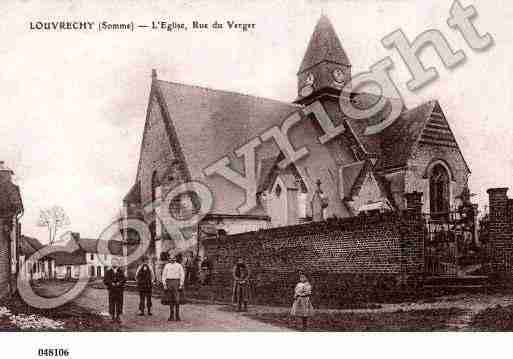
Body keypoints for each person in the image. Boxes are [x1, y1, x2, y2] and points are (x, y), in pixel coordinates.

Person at [161, 254, 185, 321]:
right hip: (169, 282)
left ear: (175, 259)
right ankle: (171, 316)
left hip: (176, 283)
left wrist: (181, 284)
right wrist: (164, 284)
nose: (172, 259)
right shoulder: (167, 266)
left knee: (177, 300)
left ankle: (177, 316)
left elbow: (182, 275)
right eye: (170, 258)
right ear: (169, 259)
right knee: (170, 300)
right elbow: (164, 275)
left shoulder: (179, 265)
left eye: (173, 258)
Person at [103, 259, 126, 323]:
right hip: (112, 290)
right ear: (111, 264)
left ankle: (118, 317)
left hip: (119, 290)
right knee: (112, 303)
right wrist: (111, 283)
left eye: (115, 263)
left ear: (117, 264)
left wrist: (119, 283)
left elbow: (124, 279)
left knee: (119, 303)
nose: (114, 264)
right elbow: (105, 280)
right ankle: (112, 317)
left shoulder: (121, 271)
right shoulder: (108, 271)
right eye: (113, 263)